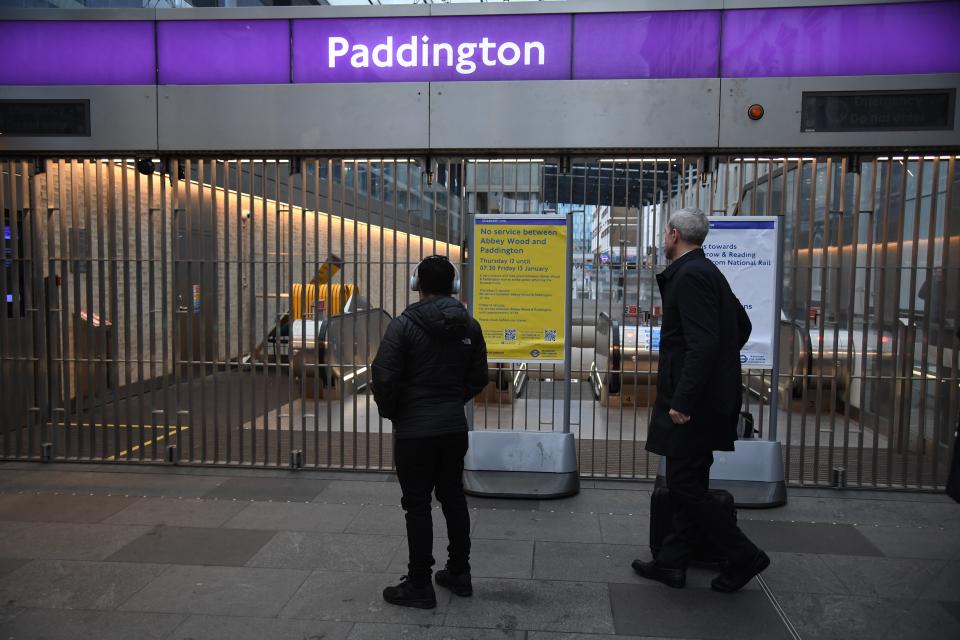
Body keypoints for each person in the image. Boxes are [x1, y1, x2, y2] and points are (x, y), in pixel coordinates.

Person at [633, 207, 770, 593]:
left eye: (664, 233)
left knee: (685, 485)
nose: (663, 239)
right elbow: (740, 327)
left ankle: (744, 555)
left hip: (693, 402)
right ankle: (672, 562)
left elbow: (702, 343)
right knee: (688, 480)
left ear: (674, 234)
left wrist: (684, 398)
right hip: (709, 397)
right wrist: (721, 371)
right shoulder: (708, 271)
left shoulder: (690, 276)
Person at [372, 255, 489, 608]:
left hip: (415, 432)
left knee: (418, 505)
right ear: (454, 286)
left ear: (416, 284)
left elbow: (383, 377)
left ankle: (420, 583)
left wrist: (398, 413)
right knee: (453, 496)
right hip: (453, 427)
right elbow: (479, 376)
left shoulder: (403, 326)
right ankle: (459, 573)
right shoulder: (470, 326)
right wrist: (453, 400)